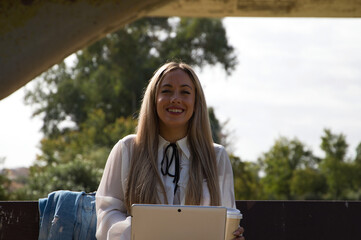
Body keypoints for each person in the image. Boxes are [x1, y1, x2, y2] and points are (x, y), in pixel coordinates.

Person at [95, 62, 245, 240]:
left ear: (196, 103)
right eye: (166, 91)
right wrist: (140, 232)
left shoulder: (216, 157)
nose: (175, 99)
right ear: (153, 99)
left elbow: (227, 219)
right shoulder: (127, 149)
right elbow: (107, 212)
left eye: (185, 92)